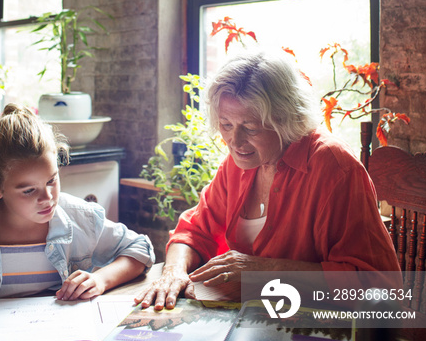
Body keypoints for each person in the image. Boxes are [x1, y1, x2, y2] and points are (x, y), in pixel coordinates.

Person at [135, 51, 401, 310]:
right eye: (226, 125)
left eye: (250, 128)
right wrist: (173, 271)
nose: (234, 142)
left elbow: (380, 286)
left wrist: (265, 271)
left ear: (285, 119)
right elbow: (193, 231)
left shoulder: (334, 167)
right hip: (246, 316)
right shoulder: (239, 163)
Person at [0, 104, 155, 319]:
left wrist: (101, 279)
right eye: (29, 190)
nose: (47, 198)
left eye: (51, 180)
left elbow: (141, 248)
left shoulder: (79, 216)